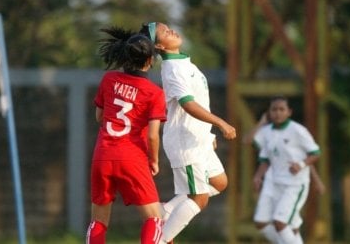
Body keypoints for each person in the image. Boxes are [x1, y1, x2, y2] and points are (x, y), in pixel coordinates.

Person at [139, 22, 237, 244]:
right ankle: (159, 240)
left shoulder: (183, 62)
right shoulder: (173, 70)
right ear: (159, 46)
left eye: (167, 27)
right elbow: (188, 104)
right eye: (164, 32)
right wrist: (221, 123)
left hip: (198, 139)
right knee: (199, 198)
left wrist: (208, 134)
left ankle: (167, 211)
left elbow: (199, 100)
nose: (170, 30)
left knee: (219, 183)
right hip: (185, 143)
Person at [86, 27, 167, 244]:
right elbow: (152, 136)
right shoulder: (154, 93)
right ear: (150, 60)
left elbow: (99, 116)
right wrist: (154, 160)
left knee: (99, 221)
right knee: (155, 219)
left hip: (102, 155)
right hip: (132, 157)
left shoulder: (109, 79)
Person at [251, 96, 321, 244]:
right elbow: (265, 159)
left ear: (289, 112)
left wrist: (301, 165)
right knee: (270, 224)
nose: (277, 113)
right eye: (274, 109)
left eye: (281, 109)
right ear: (269, 112)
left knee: (280, 223)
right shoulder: (267, 132)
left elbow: (315, 153)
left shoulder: (298, 130)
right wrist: (258, 177)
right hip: (276, 183)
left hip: (295, 184)